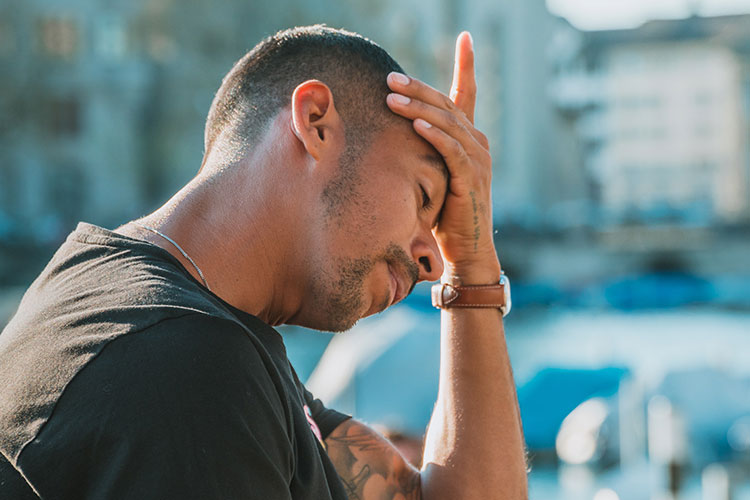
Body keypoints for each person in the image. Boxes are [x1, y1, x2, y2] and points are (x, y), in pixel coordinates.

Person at [0, 25, 527, 499]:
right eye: (422, 197)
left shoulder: (166, 321)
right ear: (315, 121)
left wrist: (474, 265)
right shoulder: (185, 367)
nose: (433, 260)